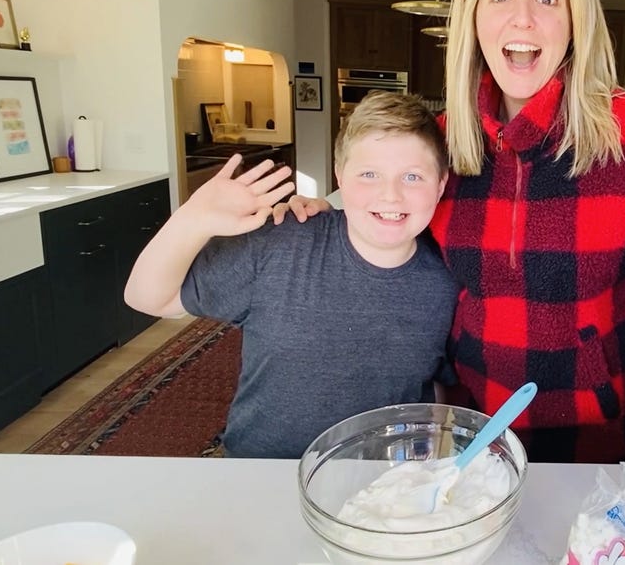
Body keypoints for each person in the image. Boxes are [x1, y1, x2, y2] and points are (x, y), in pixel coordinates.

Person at [276, 0, 625, 464]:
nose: (523, 19)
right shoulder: (444, 141)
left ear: (574, 23)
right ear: (473, 18)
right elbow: (384, 206)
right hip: (479, 430)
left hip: (607, 427)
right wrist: (323, 211)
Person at [125, 92, 458, 458]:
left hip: (381, 484)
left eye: (412, 176)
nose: (390, 195)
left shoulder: (448, 279)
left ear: (441, 184)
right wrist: (192, 219)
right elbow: (146, 297)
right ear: (339, 177)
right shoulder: (280, 242)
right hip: (264, 472)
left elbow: (435, 386)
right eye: (369, 174)